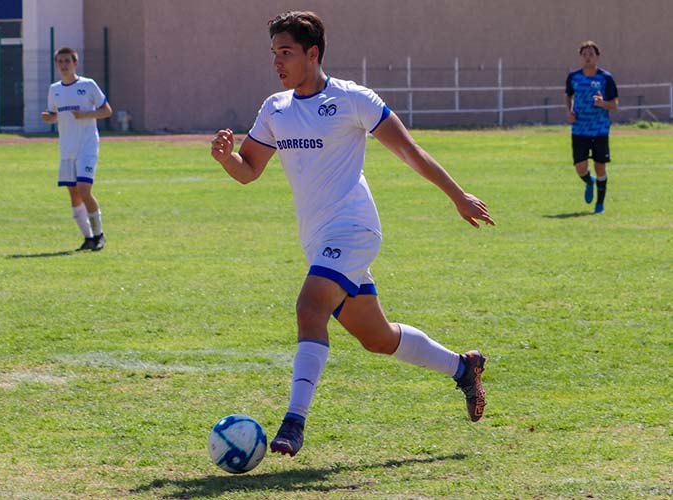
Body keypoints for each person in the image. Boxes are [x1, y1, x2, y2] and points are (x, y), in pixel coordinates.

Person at [210, 11, 495, 457]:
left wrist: (457, 196)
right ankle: (463, 369)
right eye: (273, 54)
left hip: (355, 227)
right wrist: (227, 158)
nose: (277, 62)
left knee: (309, 306)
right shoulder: (275, 109)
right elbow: (249, 172)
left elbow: (409, 150)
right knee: (377, 338)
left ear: (313, 53)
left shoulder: (352, 99)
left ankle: (293, 422)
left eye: (286, 53)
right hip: (318, 240)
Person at [41, 47, 113, 251]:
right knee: (73, 194)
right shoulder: (54, 89)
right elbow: (55, 115)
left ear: (75, 63)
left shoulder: (88, 85)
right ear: (56, 65)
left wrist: (86, 114)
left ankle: (99, 235)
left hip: (87, 147)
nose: (64, 65)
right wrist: (49, 118)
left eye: (67, 61)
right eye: (60, 61)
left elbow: (107, 111)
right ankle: (88, 238)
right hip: (67, 149)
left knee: (84, 190)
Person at [565, 41, 618, 214]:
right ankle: (589, 181)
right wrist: (570, 111)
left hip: (599, 129)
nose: (588, 58)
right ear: (581, 57)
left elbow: (614, 104)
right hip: (579, 129)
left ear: (597, 57)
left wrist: (603, 103)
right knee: (580, 168)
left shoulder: (606, 78)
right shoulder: (573, 77)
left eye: (591, 54)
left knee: (600, 166)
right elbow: (569, 95)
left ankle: (599, 204)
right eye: (584, 54)